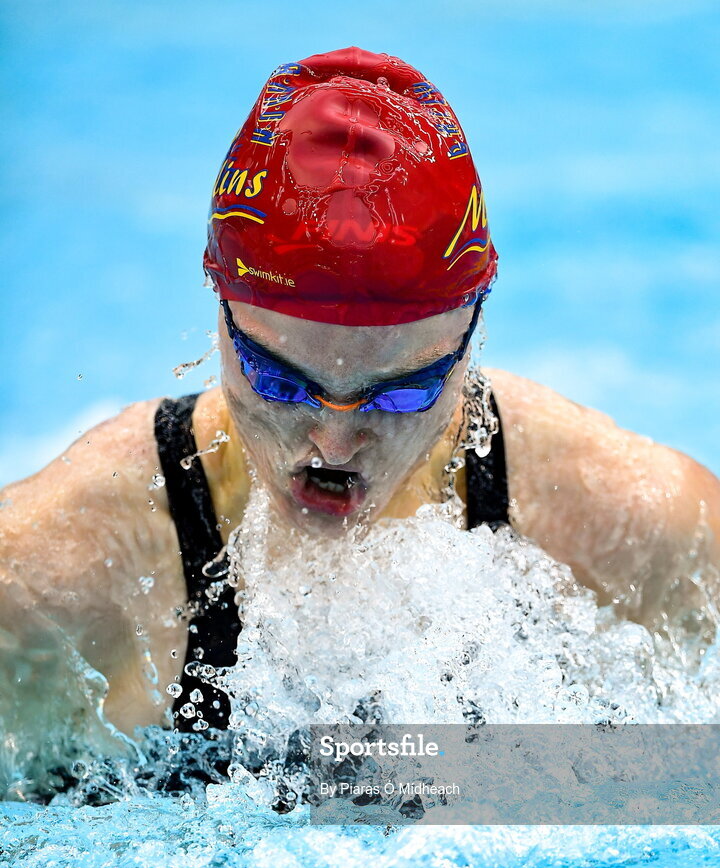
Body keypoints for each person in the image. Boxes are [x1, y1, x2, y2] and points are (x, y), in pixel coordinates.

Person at [1, 47, 719, 743]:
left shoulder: (644, 534)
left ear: (473, 337)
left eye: (400, 393)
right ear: (220, 319)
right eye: (281, 381)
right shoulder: (48, 585)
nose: (335, 445)